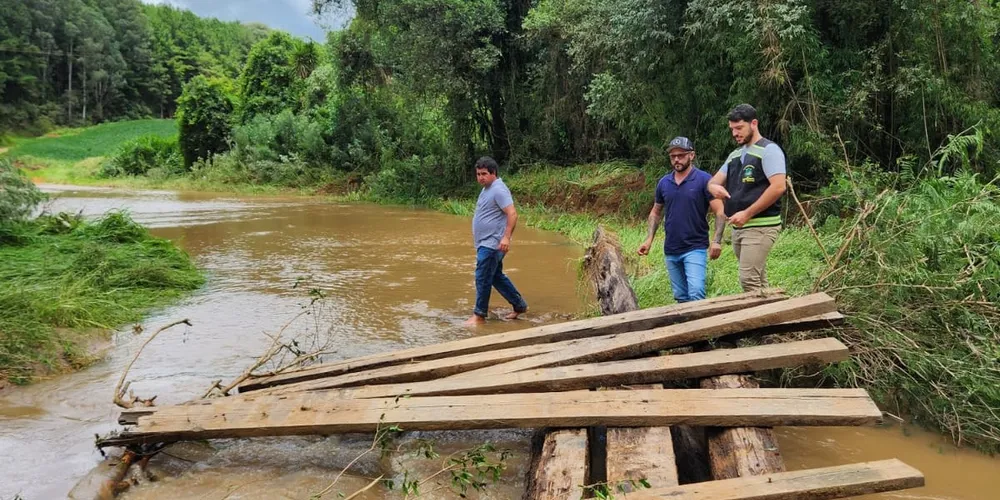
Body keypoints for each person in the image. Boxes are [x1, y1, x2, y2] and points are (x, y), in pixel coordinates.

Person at [707, 104, 787, 292]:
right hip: (738, 227)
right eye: (732, 129)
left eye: (739, 128)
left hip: (761, 225)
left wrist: (748, 213)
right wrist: (714, 187)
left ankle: (757, 320)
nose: (735, 133)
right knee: (758, 279)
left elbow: (778, 187)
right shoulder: (734, 155)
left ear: (754, 124)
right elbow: (713, 182)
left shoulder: (769, 150)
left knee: (748, 279)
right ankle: (773, 317)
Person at [638, 136, 726, 303]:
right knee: (681, 297)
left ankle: (702, 329)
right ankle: (687, 327)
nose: (676, 159)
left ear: (691, 155)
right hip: (671, 249)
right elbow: (655, 212)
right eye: (673, 156)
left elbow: (720, 211)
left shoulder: (704, 180)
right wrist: (648, 240)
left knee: (696, 292)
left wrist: (716, 241)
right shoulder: (664, 183)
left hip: (695, 247)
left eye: (681, 155)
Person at [464, 156, 528, 325]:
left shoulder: (498, 189)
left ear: (494, 173)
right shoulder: (487, 188)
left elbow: (512, 213)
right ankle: (519, 306)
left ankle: (479, 315)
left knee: (482, 276)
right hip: (487, 242)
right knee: (495, 277)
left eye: (484, 173)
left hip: (492, 243)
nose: (480, 177)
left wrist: (506, 237)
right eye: (478, 174)